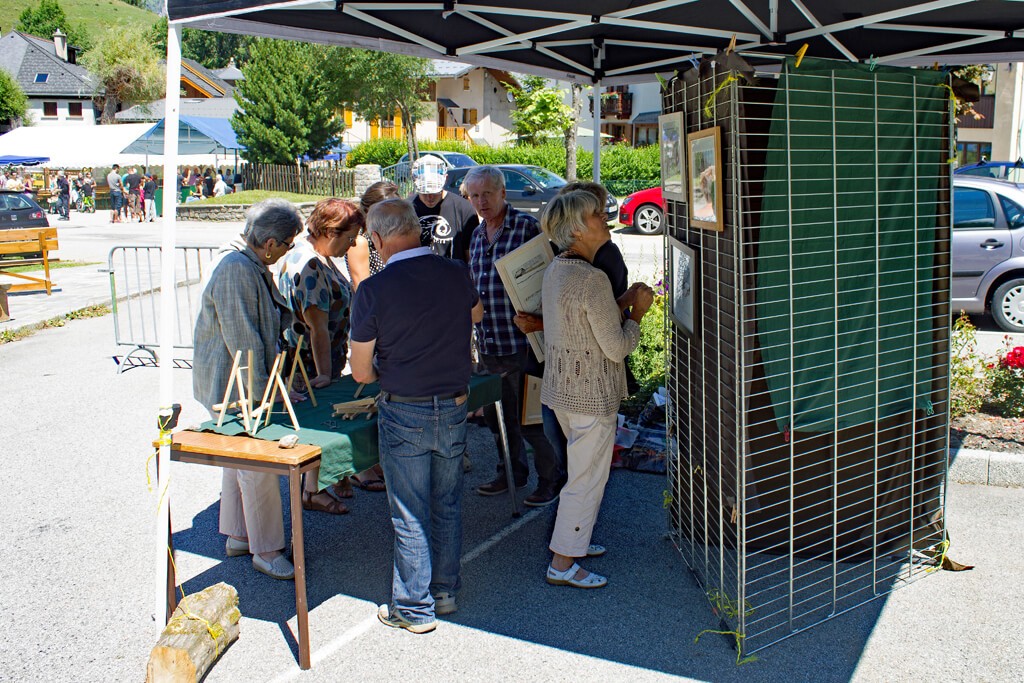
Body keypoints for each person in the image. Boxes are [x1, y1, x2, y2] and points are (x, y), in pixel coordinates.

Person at [349, 198, 483, 633]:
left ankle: (413, 606)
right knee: (446, 502)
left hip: (405, 406)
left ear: (378, 239)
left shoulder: (373, 290)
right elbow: (476, 313)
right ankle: (443, 590)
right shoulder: (455, 273)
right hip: (455, 402)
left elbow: (363, 371)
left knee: (410, 510)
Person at [538, 190, 654, 589]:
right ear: (574, 229)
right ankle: (563, 562)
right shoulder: (590, 278)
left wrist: (622, 301)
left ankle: (575, 541)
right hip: (590, 396)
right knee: (586, 480)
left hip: (563, 392)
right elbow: (618, 346)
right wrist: (637, 313)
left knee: (581, 474)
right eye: (594, 214)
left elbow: (583, 323)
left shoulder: (558, 269)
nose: (603, 217)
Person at [192, 199, 304, 581]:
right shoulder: (237, 269)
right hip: (233, 384)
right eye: (289, 243)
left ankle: (239, 535)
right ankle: (267, 549)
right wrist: (266, 394)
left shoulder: (246, 263)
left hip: (233, 382)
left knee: (237, 460)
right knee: (258, 465)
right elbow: (244, 341)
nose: (290, 251)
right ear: (270, 243)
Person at [464, 166, 562, 507]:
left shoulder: (526, 227)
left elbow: (550, 279)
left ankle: (549, 480)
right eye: (474, 196)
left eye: (487, 194)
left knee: (530, 419)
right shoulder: (476, 235)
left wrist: (540, 320)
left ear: (503, 193)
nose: (481, 201)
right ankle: (511, 472)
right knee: (498, 418)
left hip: (525, 345)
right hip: (491, 345)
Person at [276, 198, 366, 512]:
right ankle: (310, 491)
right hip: (311, 366)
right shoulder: (309, 263)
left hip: (321, 360)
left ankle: (324, 481)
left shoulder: (318, 255)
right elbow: (317, 328)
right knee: (314, 429)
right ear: (329, 231)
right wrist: (325, 374)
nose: (353, 243)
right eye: (350, 236)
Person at [409, 155, 477, 262]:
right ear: (414, 180)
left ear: (445, 179)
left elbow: (471, 255)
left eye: (435, 192)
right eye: (425, 192)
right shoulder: (406, 209)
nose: (430, 197)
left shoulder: (464, 209)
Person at [345, 181, 399, 289]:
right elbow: (363, 290)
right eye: (386, 212)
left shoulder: (389, 236)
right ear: (369, 211)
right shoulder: (360, 242)